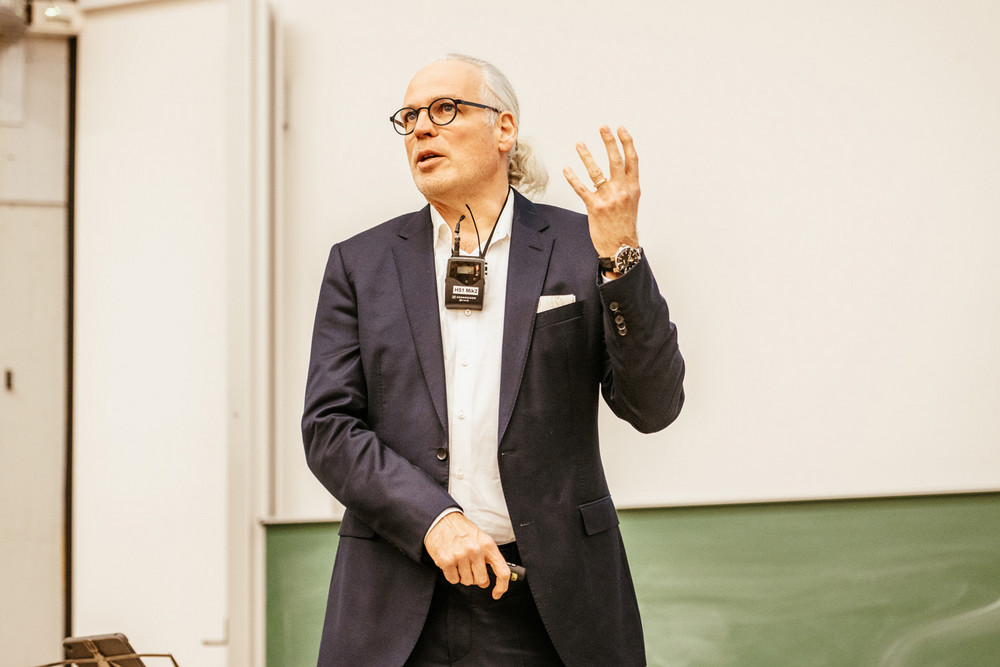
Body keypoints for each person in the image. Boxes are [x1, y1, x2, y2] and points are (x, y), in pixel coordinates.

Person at [302, 53, 685, 666]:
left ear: (504, 129)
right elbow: (329, 429)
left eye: (443, 109)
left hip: (550, 605)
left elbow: (653, 406)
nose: (421, 129)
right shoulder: (360, 264)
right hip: (396, 600)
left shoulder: (581, 246)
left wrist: (622, 259)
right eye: (409, 117)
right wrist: (434, 520)